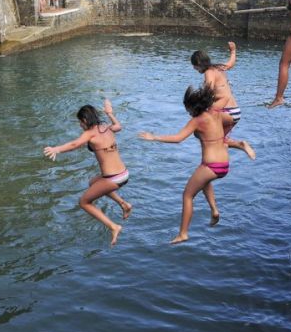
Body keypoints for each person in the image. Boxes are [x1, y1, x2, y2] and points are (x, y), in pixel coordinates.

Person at [140, 85, 229, 244]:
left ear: (193, 107)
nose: (187, 112)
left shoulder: (197, 120)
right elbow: (226, 97)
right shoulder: (215, 111)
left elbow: (178, 138)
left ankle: (183, 233)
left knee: (187, 195)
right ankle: (214, 210)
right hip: (224, 164)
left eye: (187, 108)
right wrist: (209, 99)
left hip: (210, 165)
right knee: (204, 182)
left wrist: (154, 137)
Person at [44, 99, 132, 246]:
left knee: (84, 202)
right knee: (92, 183)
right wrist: (110, 113)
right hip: (123, 173)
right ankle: (124, 204)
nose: (80, 125)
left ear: (85, 120)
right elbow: (118, 126)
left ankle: (114, 227)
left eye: (80, 122)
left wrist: (56, 149)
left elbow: (74, 144)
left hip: (113, 179)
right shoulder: (105, 127)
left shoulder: (90, 134)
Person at [190, 42, 256, 160]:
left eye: (194, 66)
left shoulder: (209, 72)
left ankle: (238, 146)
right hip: (236, 112)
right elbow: (230, 64)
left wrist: (196, 102)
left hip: (226, 111)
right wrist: (233, 51)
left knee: (198, 131)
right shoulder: (219, 68)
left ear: (199, 63)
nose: (194, 68)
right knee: (218, 141)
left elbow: (208, 90)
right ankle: (229, 151)